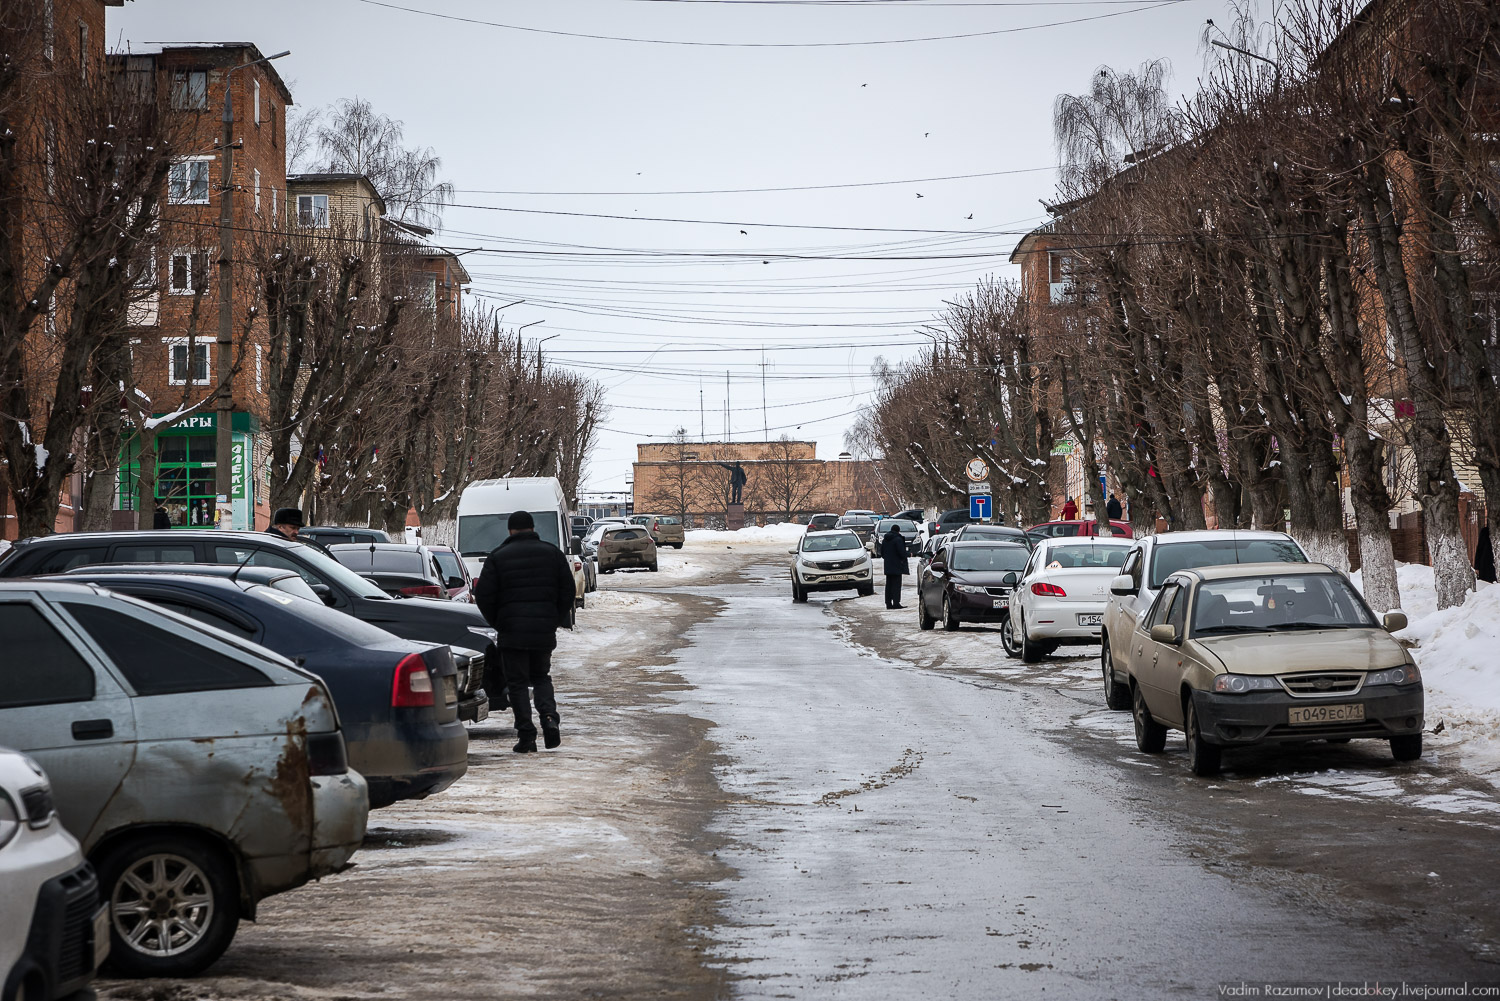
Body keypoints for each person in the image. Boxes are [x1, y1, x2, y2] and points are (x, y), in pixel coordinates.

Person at [473, 510, 577, 753]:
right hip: (543, 630)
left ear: (510, 530)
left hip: (511, 632)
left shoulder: (497, 557)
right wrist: (553, 619)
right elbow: (568, 591)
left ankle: (527, 736)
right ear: (533, 528)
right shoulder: (552, 553)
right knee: (541, 677)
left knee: (517, 683)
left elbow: (483, 596)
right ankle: (549, 719)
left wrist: (499, 622)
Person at [880, 522, 910, 610]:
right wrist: (906, 555)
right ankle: (896, 603)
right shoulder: (898, 539)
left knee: (888, 585)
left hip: (888, 566)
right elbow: (901, 553)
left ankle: (888, 603)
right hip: (897, 566)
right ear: (898, 531)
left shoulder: (885, 540)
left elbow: (882, 553)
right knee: (896, 585)